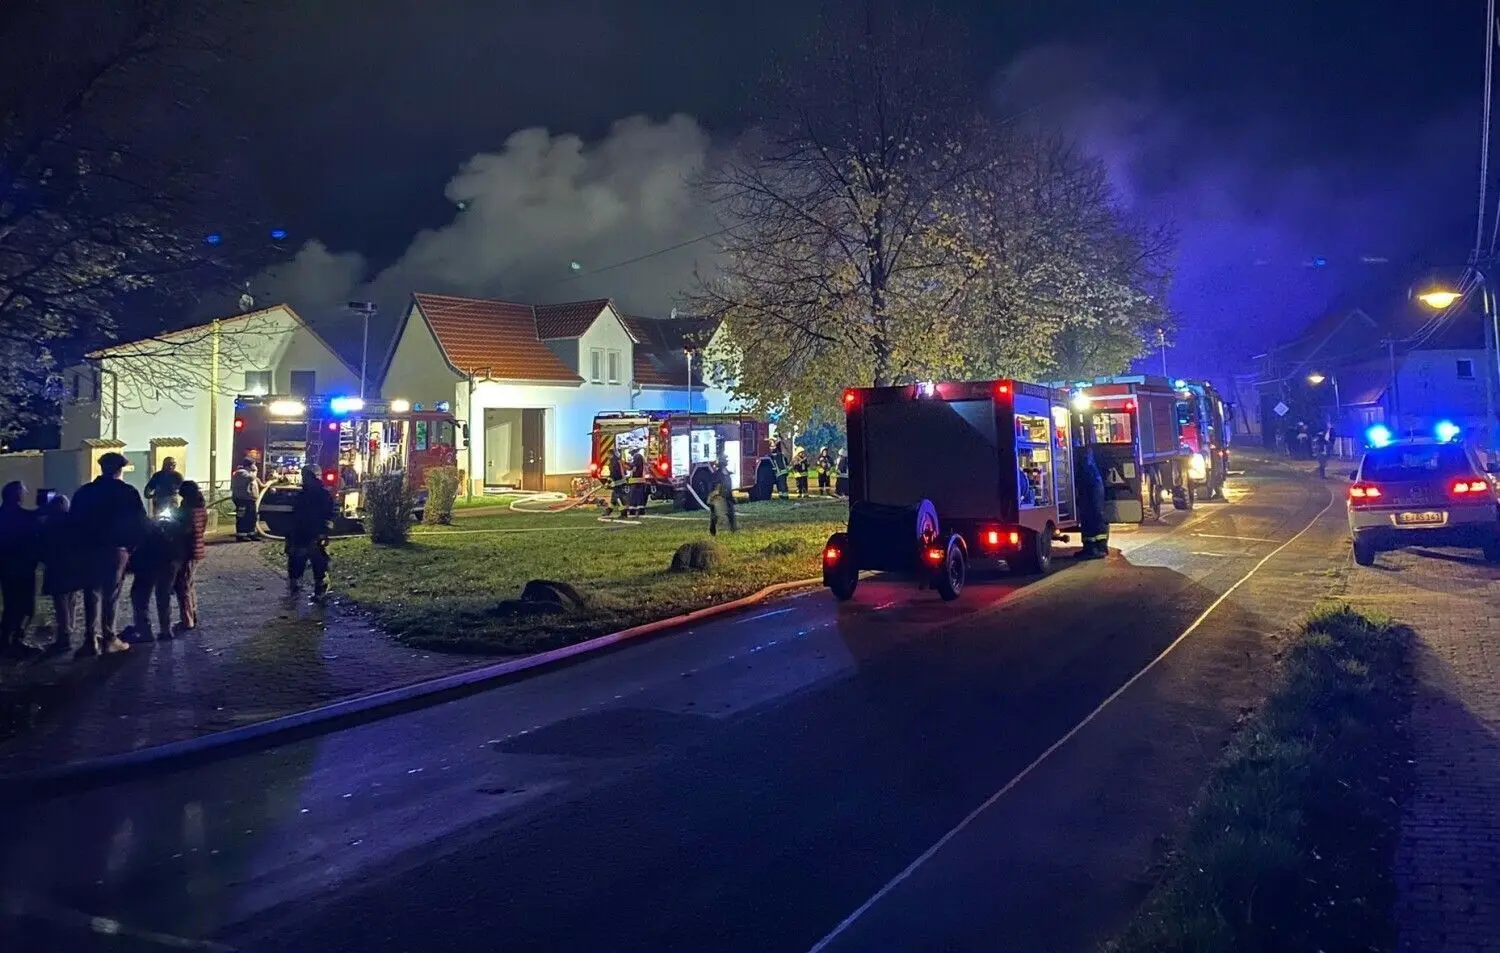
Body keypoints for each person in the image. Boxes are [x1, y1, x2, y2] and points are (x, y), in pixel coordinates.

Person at [70, 452, 146, 656]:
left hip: (88, 549)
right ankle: (109, 637)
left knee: (91, 593)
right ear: (119, 469)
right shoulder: (128, 492)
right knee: (111, 594)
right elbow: (139, 522)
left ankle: (90, 639)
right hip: (116, 549)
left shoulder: (85, 492)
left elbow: (74, 522)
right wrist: (131, 547)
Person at [125, 508, 186, 642]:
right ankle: (166, 630)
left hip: (148, 562)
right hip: (170, 560)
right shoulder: (155, 525)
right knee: (163, 595)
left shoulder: (134, 526)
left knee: (140, 596)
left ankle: (145, 631)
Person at [0, 480, 40, 656]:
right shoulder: (23, 517)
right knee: (24, 605)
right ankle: (15, 641)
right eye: (23, 492)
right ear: (17, 495)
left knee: (11, 604)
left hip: (6, 567)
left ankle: (7, 640)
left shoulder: (3, 514)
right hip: (22, 567)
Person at [39, 494, 80, 655]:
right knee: (71, 600)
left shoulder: (49, 524)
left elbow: (43, 547)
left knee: (61, 602)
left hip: (56, 568)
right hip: (71, 568)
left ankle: (65, 635)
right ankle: (70, 629)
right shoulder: (72, 524)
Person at [287, 466, 336, 597]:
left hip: (314, 533)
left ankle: (319, 586)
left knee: (318, 560)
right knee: (297, 558)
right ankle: (296, 583)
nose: (304, 479)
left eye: (306, 476)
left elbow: (328, 514)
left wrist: (324, 531)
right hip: (302, 532)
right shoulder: (304, 494)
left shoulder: (321, 495)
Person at [173, 480, 208, 631]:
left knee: (183, 586)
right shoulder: (201, 509)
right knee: (189, 583)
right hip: (197, 549)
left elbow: (183, 530)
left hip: (186, 551)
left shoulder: (187, 511)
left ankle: (187, 620)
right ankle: (193, 614)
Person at [1074, 448, 1109, 560]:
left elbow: (1080, 476)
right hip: (1093, 490)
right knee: (1094, 517)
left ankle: (1093, 549)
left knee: (1090, 518)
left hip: (1090, 492)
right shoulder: (1089, 457)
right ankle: (1097, 547)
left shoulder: (1083, 460)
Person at [231, 458, 262, 541]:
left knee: (252, 517)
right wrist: (255, 471)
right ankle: (241, 535)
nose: (255, 466)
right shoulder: (241, 473)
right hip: (242, 500)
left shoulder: (247, 473)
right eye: (254, 464)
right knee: (243, 517)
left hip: (250, 499)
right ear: (249, 465)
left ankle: (251, 534)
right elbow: (251, 478)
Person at [707, 455, 738, 536]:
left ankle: (733, 530)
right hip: (718, 498)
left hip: (727, 497)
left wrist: (732, 497)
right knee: (715, 516)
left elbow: (728, 487)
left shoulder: (727, 474)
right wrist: (712, 498)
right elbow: (712, 487)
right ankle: (712, 530)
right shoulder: (716, 475)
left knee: (731, 513)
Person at [625, 449, 648, 519]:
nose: (631, 455)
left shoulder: (637, 456)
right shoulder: (640, 457)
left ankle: (635, 510)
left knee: (634, 496)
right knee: (638, 496)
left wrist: (626, 465)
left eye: (631, 453)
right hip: (638, 480)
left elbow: (633, 467)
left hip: (637, 480)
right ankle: (637, 510)